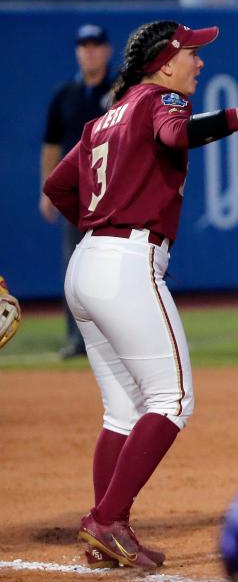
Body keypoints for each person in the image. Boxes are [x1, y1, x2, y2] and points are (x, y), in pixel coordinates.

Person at [42, 20, 238, 570]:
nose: (200, 62)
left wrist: (99, 227)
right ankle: (106, 520)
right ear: (164, 62)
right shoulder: (159, 99)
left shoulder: (102, 119)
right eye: (192, 53)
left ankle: (107, 530)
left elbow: (58, 188)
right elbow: (172, 136)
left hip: (87, 261)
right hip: (126, 259)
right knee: (173, 400)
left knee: (123, 411)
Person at [40, 24, 115, 360]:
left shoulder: (121, 91)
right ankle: (78, 339)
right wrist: (47, 190)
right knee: (76, 268)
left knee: (115, 267)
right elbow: (51, 146)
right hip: (75, 195)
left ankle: (118, 340)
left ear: (107, 51)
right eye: (84, 45)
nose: (90, 51)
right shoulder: (65, 95)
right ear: (77, 51)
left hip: (114, 193)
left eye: (96, 45)